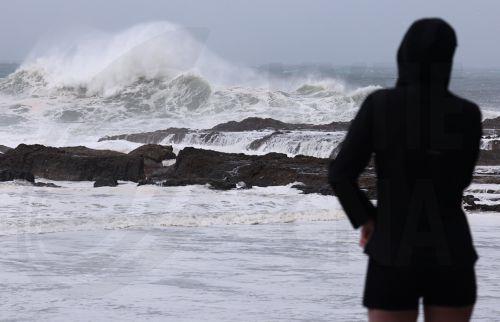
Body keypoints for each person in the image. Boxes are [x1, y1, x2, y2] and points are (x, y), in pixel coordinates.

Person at [328, 18, 481, 322]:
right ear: (448, 60)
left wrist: (367, 219)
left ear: (404, 54)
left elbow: (340, 174)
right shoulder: (468, 114)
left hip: (392, 248)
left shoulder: (379, 105)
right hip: (451, 249)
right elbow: (461, 180)